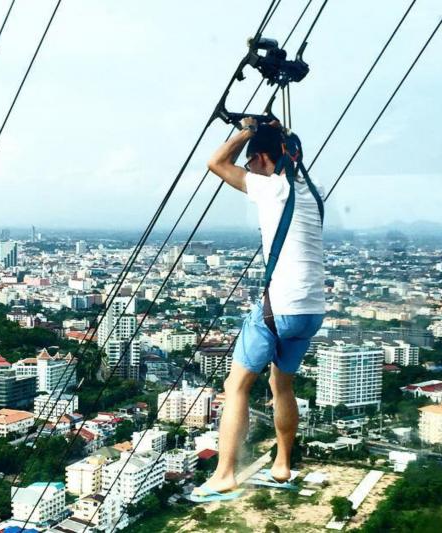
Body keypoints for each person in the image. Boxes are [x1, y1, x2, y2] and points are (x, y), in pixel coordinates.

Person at [192, 117, 325, 501]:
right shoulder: (309, 193)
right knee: (281, 385)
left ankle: (225, 474)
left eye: (252, 164)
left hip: (279, 308)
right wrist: (277, 136)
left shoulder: (271, 188)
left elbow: (216, 163)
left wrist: (248, 130)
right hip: (311, 311)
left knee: (235, 386)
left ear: (264, 160)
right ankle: (282, 465)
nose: (248, 171)